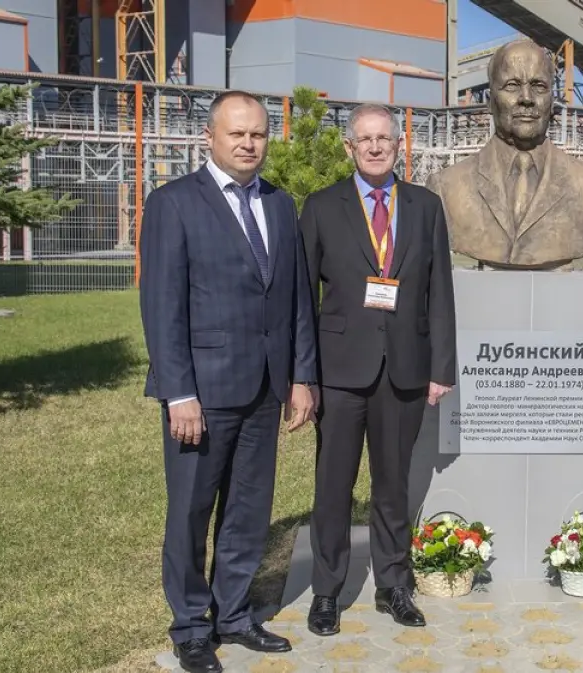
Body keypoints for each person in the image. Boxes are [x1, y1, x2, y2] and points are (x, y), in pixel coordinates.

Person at [138, 90, 318, 673]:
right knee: (190, 512)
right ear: (209, 138)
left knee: (248, 510)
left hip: (266, 389)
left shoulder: (281, 205)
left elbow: (295, 301)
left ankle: (234, 615)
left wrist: (300, 378)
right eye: (237, 133)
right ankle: (191, 627)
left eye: (259, 134)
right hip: (203, 394)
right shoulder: (174, 204)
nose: (248, 144)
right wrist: (178, 392)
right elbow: (162, 308)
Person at [299, 103, 457, 636]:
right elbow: (302, 299)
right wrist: (304, 375)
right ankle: (327, 591)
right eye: (364, 139)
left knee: (392, 487)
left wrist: (441, 366)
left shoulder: (426, 206)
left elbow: (440, 294)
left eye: (383, 139)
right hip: (340, 372)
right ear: (349, 147)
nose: (373, 147)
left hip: (405, 370)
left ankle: (393, 586)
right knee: (333, 486)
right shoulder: (321, 208)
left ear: (397, 145)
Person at [424, 37, 583, 270]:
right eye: (512, 85)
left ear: (551, 99)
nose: (527, 99)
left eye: (539, 86)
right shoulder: (445, 189)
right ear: (490, 101)